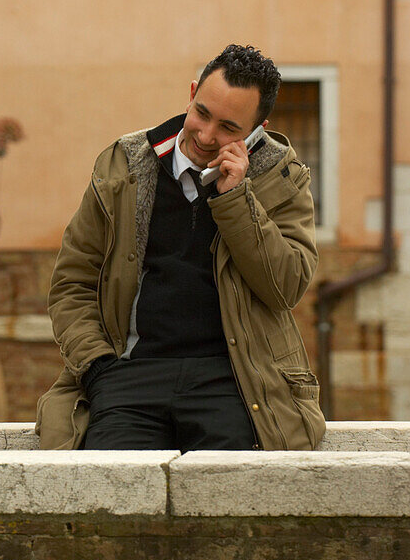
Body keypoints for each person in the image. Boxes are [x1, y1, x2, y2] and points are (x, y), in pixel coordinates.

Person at [35, 44, 325, 451]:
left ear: (257, 130)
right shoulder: (124, 164)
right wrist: (99, 369)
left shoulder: (281, 177)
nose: (206, 136)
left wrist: (237, 199)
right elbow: (72, 283)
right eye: (202, 113)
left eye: (228, 127)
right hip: (128, 375)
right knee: (110, 494)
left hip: (234, 381)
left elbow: (285, 288)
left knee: (230, 498)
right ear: (192, 94)